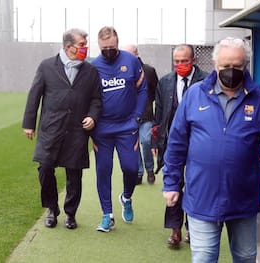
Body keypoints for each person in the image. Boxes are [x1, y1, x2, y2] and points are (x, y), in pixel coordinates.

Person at [162, 37, 260, 262]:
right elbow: (176, 143)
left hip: (242, 198)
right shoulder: (195, 95)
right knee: (203, 258)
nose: (230, 71)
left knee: (245, 257)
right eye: (225, 66)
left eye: (237, 66)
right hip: (201, 196)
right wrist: (171, 182)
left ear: (246, 65)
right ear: (215, 65)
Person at [22, 28, 102, 230]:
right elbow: (34, 95)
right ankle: (51, 209)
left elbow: (96, 99)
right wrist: (29, 123)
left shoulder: (91, 71)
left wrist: (92, 116)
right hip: (51, 129)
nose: (85, 48)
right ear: (69, 47)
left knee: (74, 174)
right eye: (82, 45)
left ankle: (70, 213)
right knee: (45, 168)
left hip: (77, 131)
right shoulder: (47, 66)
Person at [91, 27, 148, 232]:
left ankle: (126, 197)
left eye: (112, 47)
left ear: (118, 43)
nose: (108, 50)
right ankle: (107, 214)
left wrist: (137, 116)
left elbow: (142, 89)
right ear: (99, 46)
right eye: (104, 48)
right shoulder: (93, 66)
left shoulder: (131, 61)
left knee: (131, 168)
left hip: (127, 127)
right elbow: (87, 97)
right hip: (102, 129)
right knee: (103, 170)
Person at [152, 44, 208, 249]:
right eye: (177, 61)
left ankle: (192, 228)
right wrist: (156, 142)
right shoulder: (165, 82)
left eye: (184, 61)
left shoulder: (207, 80)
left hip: (200, 142)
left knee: (196, 184)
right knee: (173, 185)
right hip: (172, 142)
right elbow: (159, 114)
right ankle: (175, 229)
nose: (180, 65)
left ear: (193, 60)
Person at [123, 44, 159, 185]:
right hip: (128, 116)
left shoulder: (149, 71)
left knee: (145, 141)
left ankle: (150, 169)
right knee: (134, 144)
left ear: (136, 54)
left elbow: (156, 92)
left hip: (146, 115)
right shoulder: (121, 71)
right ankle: (138, 173)